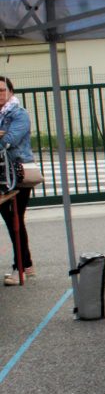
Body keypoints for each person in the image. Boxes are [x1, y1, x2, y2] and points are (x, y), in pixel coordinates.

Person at [0, 76, 35, 286]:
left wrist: (3, 135)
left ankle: (20, 267)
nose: (0, 95)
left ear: (11, 91)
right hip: (4, 174)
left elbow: (9, 140)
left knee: (14, 219)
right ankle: (26, 264)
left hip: (18, 173)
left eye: (3, 90)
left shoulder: (18, 114)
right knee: (13, 220)